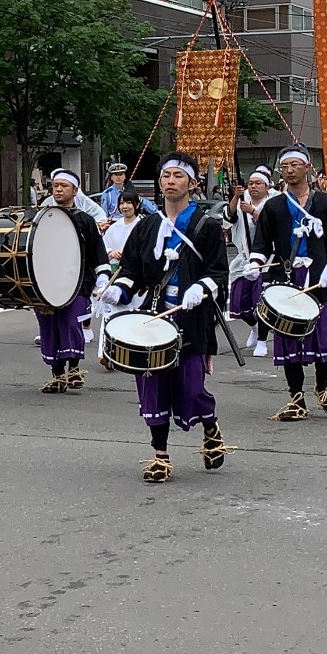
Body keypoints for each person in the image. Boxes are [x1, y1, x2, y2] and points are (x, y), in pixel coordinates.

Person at [100, 151, 234, 481]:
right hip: (153, 316)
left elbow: (219, 272)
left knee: (190, 388)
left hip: (191, 318)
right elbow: (132, 268)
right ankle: (160, 456)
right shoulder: (147, 227)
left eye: (177, 175)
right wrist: (121, 291)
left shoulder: (207, 226)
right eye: (165, 176)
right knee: (151, 388)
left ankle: (210, 425)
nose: (170, 181)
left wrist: (200, 288)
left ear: (192, 183)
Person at [250, 145, 327, 420]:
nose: (290, 170)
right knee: (289, 337)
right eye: (285, 166)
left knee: (323, 333)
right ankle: (296, 397)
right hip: (286, 280)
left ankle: (321, 385)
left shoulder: (325, 203)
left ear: (307, 168)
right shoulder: (274, 205)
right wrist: (255, 264)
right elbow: (262, 242)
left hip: (319, 278)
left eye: (295, 165)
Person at [34, 168, 109, 393]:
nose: (58, 189)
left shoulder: (85, 220)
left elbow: (98, 252)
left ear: (75, 190)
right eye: (55, 185)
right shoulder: (40, 218)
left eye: (63, 186)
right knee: (49, 327)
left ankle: (74, 370)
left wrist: (102, 278)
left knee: (70, 323)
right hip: (45, 285)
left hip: (77, 284)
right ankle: (57, 376)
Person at [229, 167, 273, 356]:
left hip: (267, 260)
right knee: (239, 301)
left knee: (262, 302)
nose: (254, 187)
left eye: (258, 183)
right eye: (251, 184)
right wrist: (236, 197)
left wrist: (254, 212)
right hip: (244, 259)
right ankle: (253, 326)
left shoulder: (273, 203)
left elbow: (272, 226)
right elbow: (229, 217)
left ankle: (262, 340)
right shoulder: (241, 202)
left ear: (266, 186)